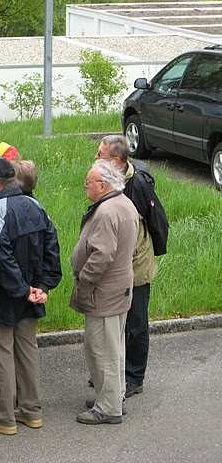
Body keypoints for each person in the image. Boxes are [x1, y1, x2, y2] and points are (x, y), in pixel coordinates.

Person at [0, 158, 62, 436]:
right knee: (27, 352)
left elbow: (0, 258)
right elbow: (52, 247)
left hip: (2, 297)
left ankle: (4, 417)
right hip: (31, 296)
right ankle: (31, 411)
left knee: (1, 355)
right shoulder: (36, 206)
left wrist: (22, 288)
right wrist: (42, 286)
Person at [95, 135, 166, 398]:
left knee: (136, 322)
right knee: (115, 321)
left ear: (115, 161)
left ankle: (134, 377)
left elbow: (154, 223)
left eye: (99, 154)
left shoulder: (138, 184)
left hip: (136, 264)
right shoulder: (106, 181)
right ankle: (115, 373)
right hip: (116, 263)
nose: (95, 158)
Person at [71, 159, 138, 425]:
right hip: (118, 289)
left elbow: (102, 255)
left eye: (88, 183)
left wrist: (84, 280)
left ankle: (109, 407)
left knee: (101, 349)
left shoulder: (107, 211)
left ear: (102, 184)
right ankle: (113, 395)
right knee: (114, 347)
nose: (85, 186)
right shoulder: (123, 204)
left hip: (104, 292)